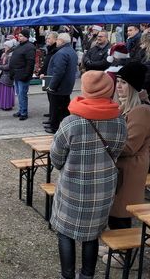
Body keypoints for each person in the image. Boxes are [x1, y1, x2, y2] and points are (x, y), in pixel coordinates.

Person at [50, 70, 127, 279]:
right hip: (103, 189)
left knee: (65, 232)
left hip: (72, 188)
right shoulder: (119, 121)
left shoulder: (71, 122)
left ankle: (68, 276)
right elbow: (118, 151)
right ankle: (87, 276)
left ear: (85, 89)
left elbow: (56, 158)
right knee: (92, 234)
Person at [101, 62, 150, 267]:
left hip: (130, 168)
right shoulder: (129, 105)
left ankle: (123, 253)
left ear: (133, 86)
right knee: (114, 208)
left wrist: (103, 141)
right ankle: (114, 244)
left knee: (122, 211)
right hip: (122, 167)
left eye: (124, 83)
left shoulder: (141, 110)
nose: (119, 86)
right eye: (118, 81)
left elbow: (130, 146)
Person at [45, 33, 78, 133]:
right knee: (64, 108)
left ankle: (54, 127)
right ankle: (64, 126)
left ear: (62, 41)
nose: (56, 42)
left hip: (59, 86)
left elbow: (58, 72)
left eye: (58, 40)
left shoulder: (61, 53)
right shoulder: (71, 51)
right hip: (66, 85)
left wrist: (52, 86)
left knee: (57, 107)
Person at [10, 29, 36, 121]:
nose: (19, 37)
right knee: (19, 94)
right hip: (17, 74)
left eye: (21, 36)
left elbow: (30, 63)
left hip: (23, 75)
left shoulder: (30, 47)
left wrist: (26, 75)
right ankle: (21, 110)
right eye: (18, 36)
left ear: (26, 36)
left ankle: (24, 112)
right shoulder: (19, 46)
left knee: (22, 94)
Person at [0, 40, 15, 111]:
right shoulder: (6, 54)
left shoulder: (11, 55)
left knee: (6, 91)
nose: (4, 47)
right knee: (3, 90)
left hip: (7, 75)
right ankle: (3, 104)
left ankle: (7, 105)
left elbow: (9, 66)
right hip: (4, 75)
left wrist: (0, 67)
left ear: (9, 47)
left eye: (6, 46)